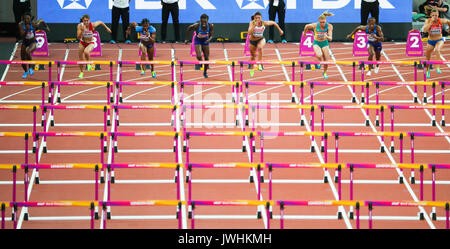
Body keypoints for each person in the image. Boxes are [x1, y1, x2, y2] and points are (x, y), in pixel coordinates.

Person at [247, 11, 284, 77]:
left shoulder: (264, 23)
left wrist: (280, 30)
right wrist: (254, 26)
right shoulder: (252, 23)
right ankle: (252, 69)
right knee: (253, 56)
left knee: (260, 47)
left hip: (261, 39)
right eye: (256, 18)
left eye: (259, 18)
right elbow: (249, 33)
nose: (258, 19)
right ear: (254, 18)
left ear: (261, 18)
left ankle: (260, 64)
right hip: (252, 41)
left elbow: (273, 23)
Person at [77, 14, 112, 79]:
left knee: (86, 52)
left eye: (87, 21)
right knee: (80, 59)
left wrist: (107, 28)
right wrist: (82, 31)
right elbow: (78, 37)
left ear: (89, 20)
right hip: (82, 42)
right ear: (82, 21)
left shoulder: (92, 25)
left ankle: (88, 64)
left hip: (91, 42)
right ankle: (81, 72)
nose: (86, 22)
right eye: (85, 21)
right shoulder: (80, 26)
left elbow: (100, 22)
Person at [18, 13, 50, 79]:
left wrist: (46, 27)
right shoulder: (21, 25)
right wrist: (26, 30)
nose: (27, 20)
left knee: (28, 51)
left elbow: (41, 20)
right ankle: (26, 71)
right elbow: (22, 36)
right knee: (23, 59)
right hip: (25, 42)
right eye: (26, 19)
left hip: (33, 42)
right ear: (23, 20)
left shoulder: (33, 24)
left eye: (29, 18)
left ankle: (30, 68)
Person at [303, 11, 334, 79]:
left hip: (325, 42)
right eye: (320, 22)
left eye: (323, 22)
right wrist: (305, 33)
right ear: (318, 21)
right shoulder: (315, 25)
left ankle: (324, 72)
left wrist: (327, 37)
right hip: (316, 42)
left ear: (325, 21)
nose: (322, 24)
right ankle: (319, 62)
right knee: (319, 55)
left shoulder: (329, 26)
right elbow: (306, 26)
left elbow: (330, 38)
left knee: (326, 61)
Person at [423, 7, 450, 77]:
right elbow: (424, 30)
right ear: (431, 15)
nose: (435, 17)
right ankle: (428, 71)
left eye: (436, 15)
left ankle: (437, 67)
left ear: (438, 15)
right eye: (433, 15)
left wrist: (449, 29)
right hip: (430, 41)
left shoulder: (441, 21)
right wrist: (430, 23)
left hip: (439, 40)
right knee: (427, 57)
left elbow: (448, 21)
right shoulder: (428, 21)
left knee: (437, 50)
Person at [185, 14, 214, 78]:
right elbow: (188, 29)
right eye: (202, 22)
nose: (203, 23)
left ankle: (205, 72)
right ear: (200, 20)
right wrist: (187, 39)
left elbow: (211, 35)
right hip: (197, 40)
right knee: (198, 56)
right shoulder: (197, 25)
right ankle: (201, 63)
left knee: (206, 58)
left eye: (205, 22)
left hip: (205, 40)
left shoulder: (210, 26)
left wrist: (208, 40)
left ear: (207, 21)